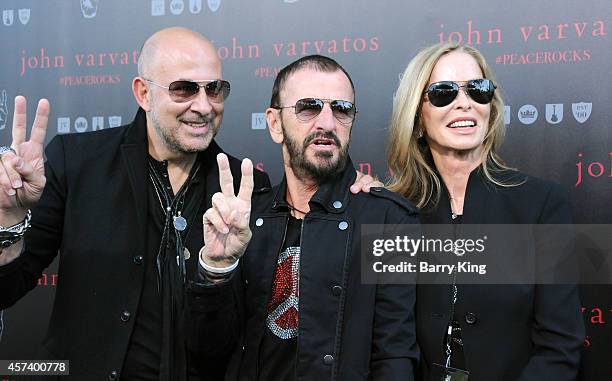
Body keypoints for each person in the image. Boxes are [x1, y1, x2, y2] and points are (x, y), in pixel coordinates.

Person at [0, 28, 377, 380]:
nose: (203, 105)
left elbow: (244, 331)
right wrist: (9, 220)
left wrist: (355, 191)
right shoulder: (78, 161)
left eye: (214, 89)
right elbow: (7, 288)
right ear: (143, 93)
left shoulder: (246, 190)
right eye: (183, 89)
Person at [187, 55, 420, 380]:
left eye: (341, 109)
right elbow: (207, 354)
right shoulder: (244, 220)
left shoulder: (387, 222)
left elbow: (395, 357)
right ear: (274, 123)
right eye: (308, 107)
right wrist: (216, 269)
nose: (327, 122)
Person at [386, 42, 584, 380]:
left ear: (490, 107)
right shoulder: (392, 212)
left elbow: (561, 345)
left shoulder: (542, 204)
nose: (464, 103)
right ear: (417, 117)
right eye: (443, 93)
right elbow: (384, 345)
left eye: (477, 90)